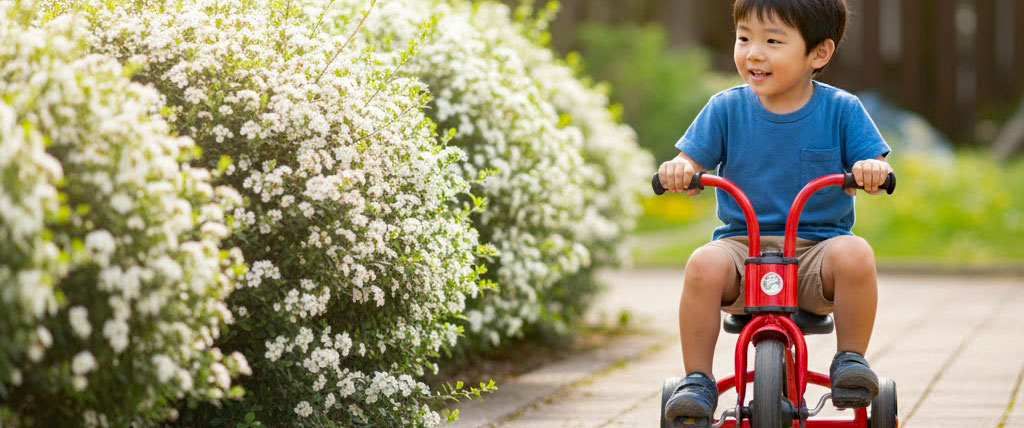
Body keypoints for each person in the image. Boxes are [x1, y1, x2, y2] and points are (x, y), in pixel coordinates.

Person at [657, 0, 894, 425]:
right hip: (741, 250)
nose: (753, 53)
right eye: (744, 38)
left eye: (772, 41)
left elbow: (875, 162)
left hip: (815, 254)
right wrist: (682, 170)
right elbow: (689, 161)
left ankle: (850, 360)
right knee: (701, 265)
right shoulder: (725, 109)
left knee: (856, 254)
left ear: (818, 54)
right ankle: (697, 380)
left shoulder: (841, 109)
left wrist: (871, 169)